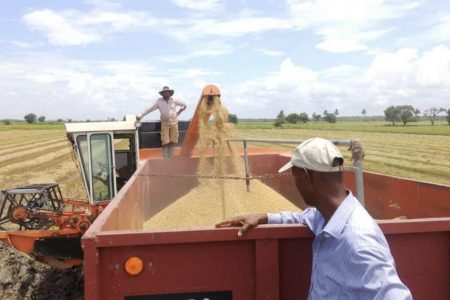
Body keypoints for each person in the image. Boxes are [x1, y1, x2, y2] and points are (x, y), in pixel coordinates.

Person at [216, 137, 412, 299]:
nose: (295, 182)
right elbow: (303, 217)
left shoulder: (358, 243)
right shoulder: (328, 216)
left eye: (294, 175)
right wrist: (264, 217)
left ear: (305, 176)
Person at [136, 86, 187, 158]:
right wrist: (141, 115)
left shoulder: (175, 100)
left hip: (174, 122)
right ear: (162, 94)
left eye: (167, 92)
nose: (166, 94)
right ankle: (166, 157)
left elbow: (184, 105)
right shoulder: (159, 101)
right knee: (165, 141)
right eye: (164, 92)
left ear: (170, 93)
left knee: (173, 140)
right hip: (164, 123)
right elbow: (150, 108)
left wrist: (179, 112)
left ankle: (171, 155)